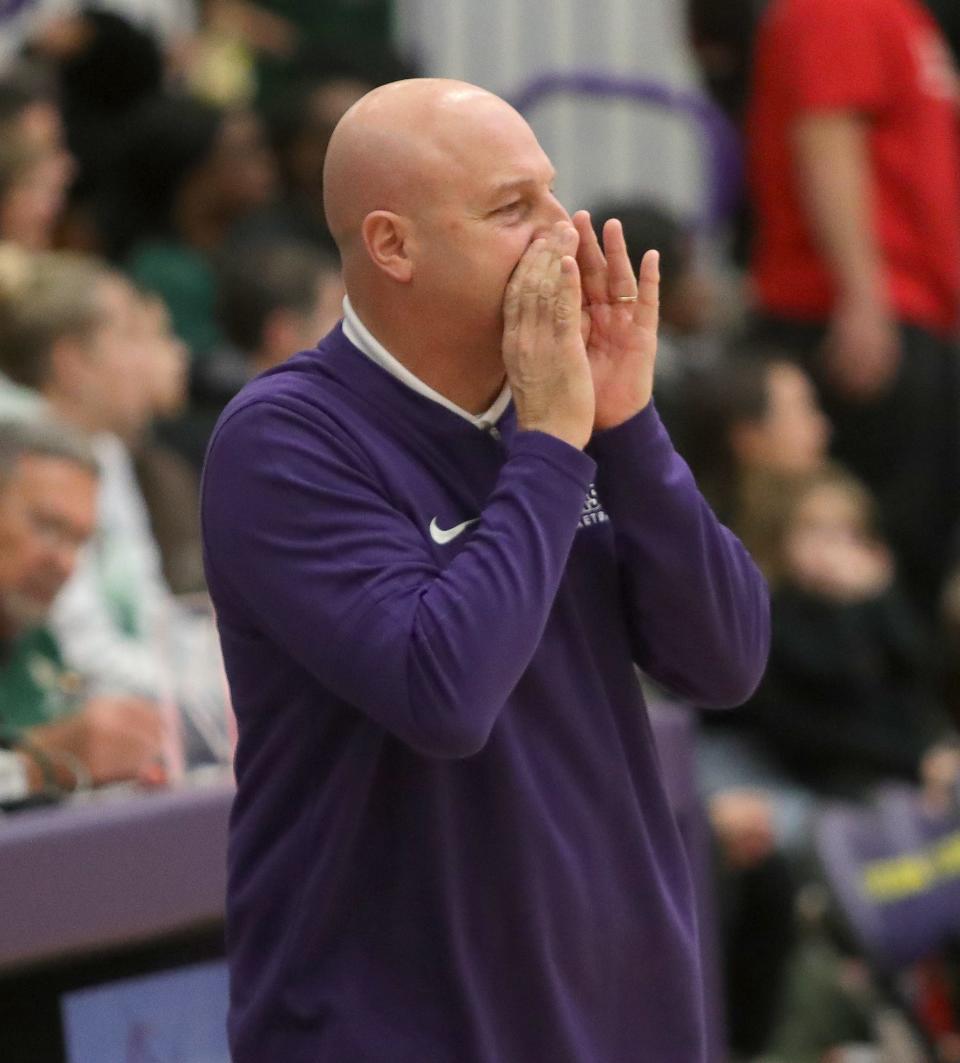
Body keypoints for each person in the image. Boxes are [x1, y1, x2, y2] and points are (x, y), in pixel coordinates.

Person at [201, 78, 770, 1062]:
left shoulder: (572, 410)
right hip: (394, 1026)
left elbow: (725, 660)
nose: (563, 231)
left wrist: (628, 427)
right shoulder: (284, 439)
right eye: (513, 209)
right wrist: (554, 441)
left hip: (621, 1011)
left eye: (553, 194)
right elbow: (444, 692)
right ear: (393, 246)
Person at [747, 0, 960, 615]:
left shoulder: (901, 16)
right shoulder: (838, 9)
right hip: (853, 317)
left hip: (908, 308)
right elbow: (826, 137)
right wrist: (863, 298)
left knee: (917, 543)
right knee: (873, 549)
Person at [0, 417, 168, 804]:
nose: (65, 563)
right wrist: (33, 765)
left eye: (78, 541)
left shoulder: (36, 641)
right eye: (47, 526)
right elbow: (50, 763)